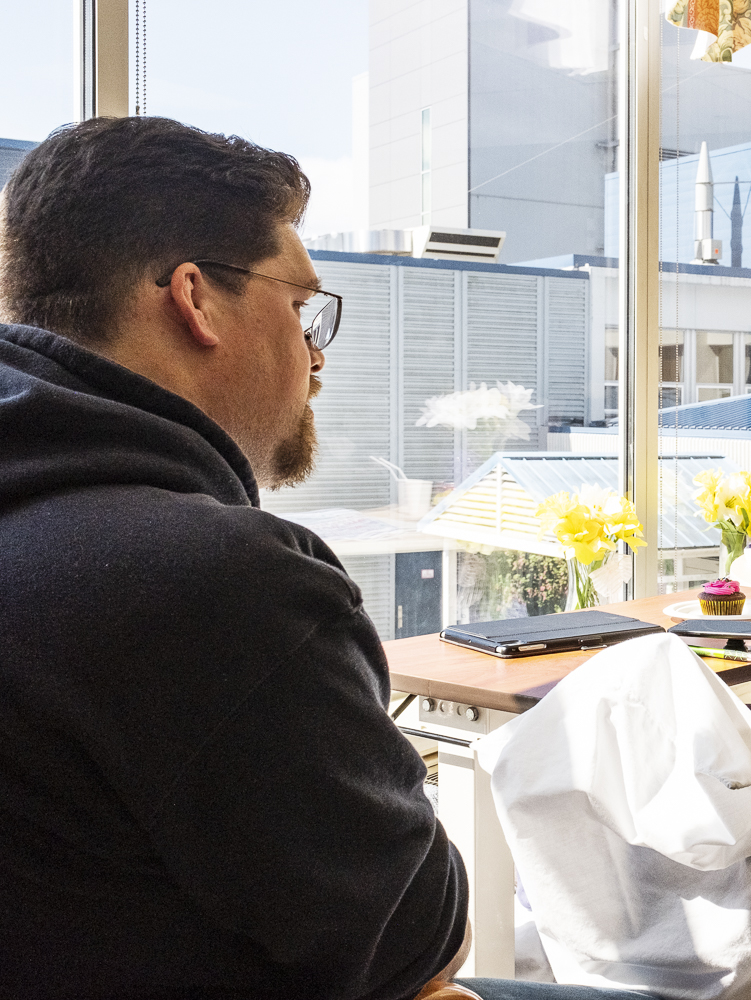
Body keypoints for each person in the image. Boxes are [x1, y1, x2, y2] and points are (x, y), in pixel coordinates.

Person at [0, 117, 637, 1000]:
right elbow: (417, 942)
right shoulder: (220, 583)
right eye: (301, 308)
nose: (316, 355)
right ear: (195, 299)